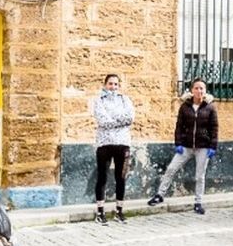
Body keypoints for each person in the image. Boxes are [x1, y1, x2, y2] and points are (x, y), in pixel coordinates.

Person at [146, 78, 218, 215]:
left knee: (199, 176)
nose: (199, 91)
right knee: (171, 169)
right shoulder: (185, 106)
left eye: (201, 88)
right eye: (196, 88)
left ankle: (198, 202)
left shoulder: (210, 107)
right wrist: (178, 143)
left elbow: (214, 128)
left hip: (203, 147)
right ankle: (159, 195)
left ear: (205, 90)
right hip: (186, 146)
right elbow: (179, 126)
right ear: (192, 90)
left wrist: (213, 146)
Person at [90, 73, 135, 224]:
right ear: (105, 85)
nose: (113, 87)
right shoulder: (98, 101)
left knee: (120, 178)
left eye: (116, 84)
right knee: (102, 177)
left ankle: (119, 211)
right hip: (104, 143)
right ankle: (100, 212)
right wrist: (119, 120)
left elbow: (130, 118)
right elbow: (102, 120)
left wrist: (113, 119)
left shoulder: (125, 100)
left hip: (123, 143)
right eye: (110, 84)